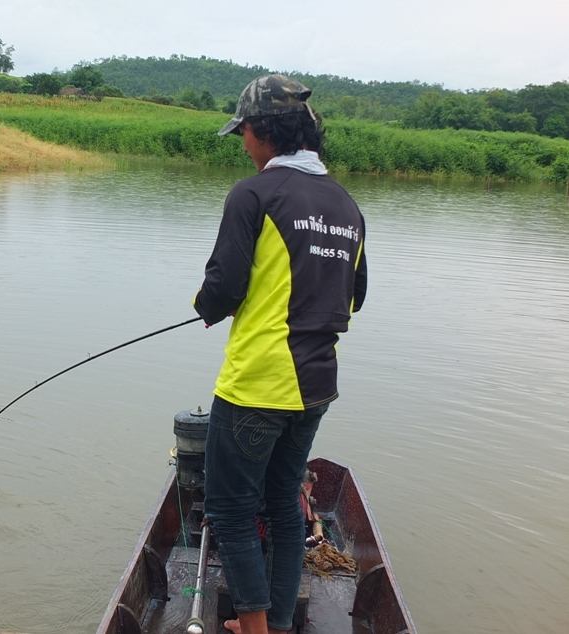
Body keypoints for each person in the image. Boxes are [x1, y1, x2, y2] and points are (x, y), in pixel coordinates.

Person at [193, 75, 367, 634]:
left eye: (243, 131)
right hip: (315, 388)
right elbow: (355, 297)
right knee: (285, 507)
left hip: (258, 384)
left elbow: (222, 288)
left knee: (233, 513)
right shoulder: (346, 205)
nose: (243, 142)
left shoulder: (254, 194)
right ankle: (277, 624)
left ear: (264, 131)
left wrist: (206, 306)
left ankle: (255, 629)